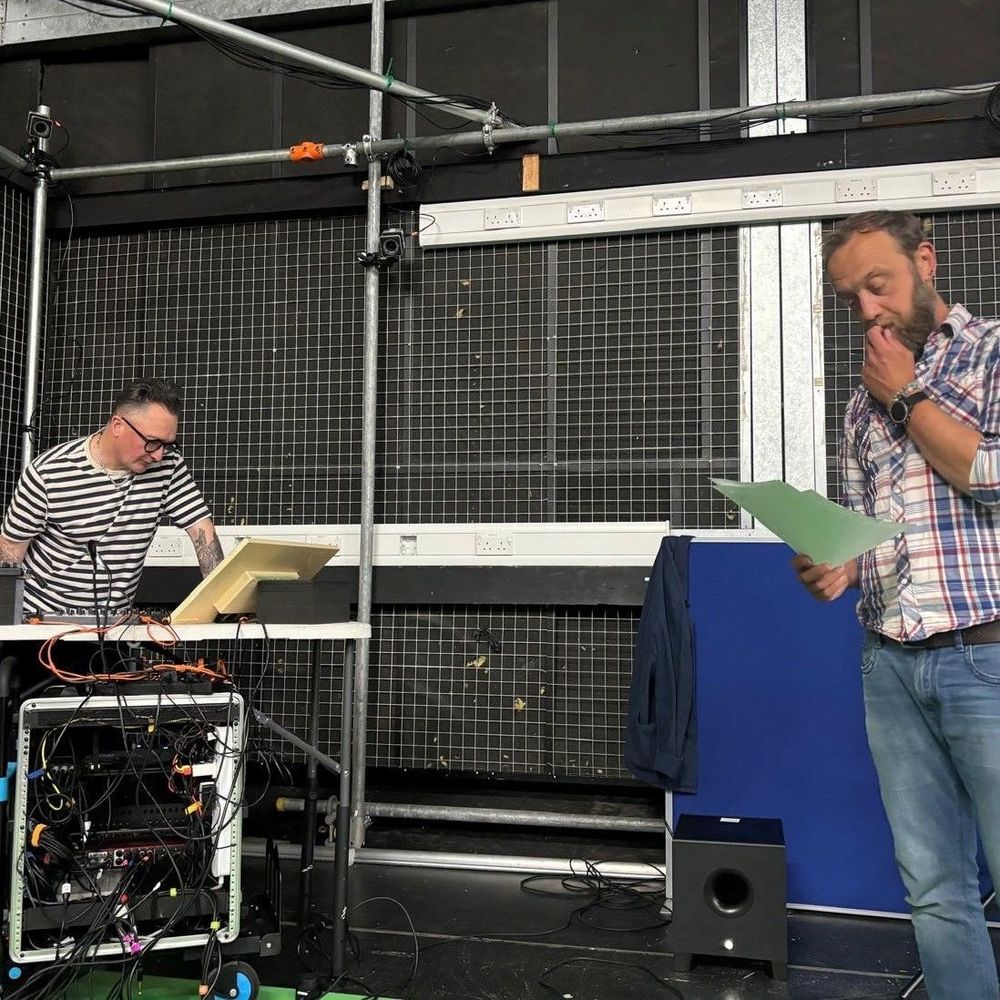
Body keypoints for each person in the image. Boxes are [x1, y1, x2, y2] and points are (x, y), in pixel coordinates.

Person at [794, 210, 1000, 1000]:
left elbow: (990, 477)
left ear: (925, 261)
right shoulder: (860, 408)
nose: (869, 310)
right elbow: (868, 530)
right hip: (891, 665)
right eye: (851, 298)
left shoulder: (987, 354)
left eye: (877, 284)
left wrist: (907, 394)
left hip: (986, 656)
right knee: (934, 888)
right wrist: (835, 566)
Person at [0, 377, 223, 620]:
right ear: (118, 425)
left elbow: (202, 531)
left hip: (113, 626)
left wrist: (222, 604)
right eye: (151, 442)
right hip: (39, 625)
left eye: (167, 444)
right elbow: (9, 552)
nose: (159, 455)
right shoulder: (47, 473)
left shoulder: (169, 467)